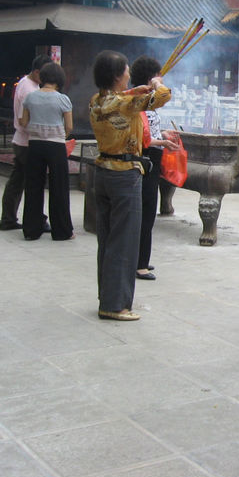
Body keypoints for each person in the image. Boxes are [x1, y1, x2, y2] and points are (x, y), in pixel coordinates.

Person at [89, 50, 170, 321]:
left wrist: (136, 90)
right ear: (116, 75)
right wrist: (157, 84)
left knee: (108, 240)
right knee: (124, 242)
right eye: (124, 71)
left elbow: (123, 99)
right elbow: (163, 97)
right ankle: (116, 305)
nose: (128, 74)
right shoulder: (127, 103)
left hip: (102, 171)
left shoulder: (98, 101)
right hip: (125, 174)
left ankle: (107, 298)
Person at [129, 56, 178, 281]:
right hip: (146, 160)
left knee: (147, 210)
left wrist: (162, 136)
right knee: (146, 211)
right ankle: (139, 265)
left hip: (149, 158)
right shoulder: (144, 100)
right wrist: (162, 142)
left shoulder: (141, 99)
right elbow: (144, 139)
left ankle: (141, 258)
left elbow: (148, 132)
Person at [20, 62, 74, 241]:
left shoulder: (30, 97)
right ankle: (62, 231)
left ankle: (31, 230)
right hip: (56, 145)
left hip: (35, 144)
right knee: (59, 187)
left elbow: (23, 122)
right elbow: (69, 126)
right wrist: (60, 135)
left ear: (42, 78)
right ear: (59, 79)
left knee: (33, 186)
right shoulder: (62, 99)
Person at [0, 55, 52, 231]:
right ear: (37, 72)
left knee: (17, 181)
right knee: (34, 183)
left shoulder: (25, 82)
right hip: (27, 142)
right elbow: (24, 120)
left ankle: (8, 218)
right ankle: (37, 219)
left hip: (21, 140)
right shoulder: (29, 90)